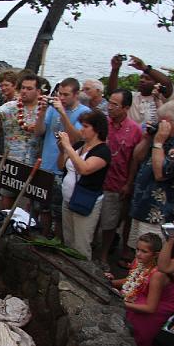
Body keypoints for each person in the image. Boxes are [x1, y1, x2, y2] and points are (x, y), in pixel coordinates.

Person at [128, 101, 174, 249]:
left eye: (164, 122)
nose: (160, 126)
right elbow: (137, 157)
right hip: (142, 206)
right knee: (138, 254)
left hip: (161, 214)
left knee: (152, 256)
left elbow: (160, 174)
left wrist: (158, 143)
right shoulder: (162, 137)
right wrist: (148, 139)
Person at [106, 233, 174, 346]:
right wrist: (109, 282)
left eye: (144, 251)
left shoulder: (157, 275)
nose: (138, 254)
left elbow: (150, 308)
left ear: (156, 255)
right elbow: (132, 280)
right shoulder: (139, 260)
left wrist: (122, 303)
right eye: (137, 249)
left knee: (132, 322)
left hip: (160, 304)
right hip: (145, 294)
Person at [35, 77, 91, 239]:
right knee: (43, 208)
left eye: (66, 95)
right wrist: (43, 111)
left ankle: (58, 241)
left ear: (76, 94)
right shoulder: (52, 108)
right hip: (46, 165)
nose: (62, 98)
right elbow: (39, 132)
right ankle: (43, 237)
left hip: (64, 169)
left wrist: (63, 113)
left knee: (59, 214)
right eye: (60, 94)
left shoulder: (84, 113)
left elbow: (77, 138)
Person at [57, 110, 111, 261]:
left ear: (97, 129)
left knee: (81, 245)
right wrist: (62, 150)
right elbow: (61, 165)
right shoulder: (80, 145)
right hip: (67, 199)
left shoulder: (103, 151)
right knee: (68, 240)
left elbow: (84, 169)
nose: (81, 129)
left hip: (85, 201)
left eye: (86, 126)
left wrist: (68, 147)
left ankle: (80, 280)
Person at [98, 89, 143, 264]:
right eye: (109, 103)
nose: (109, 107)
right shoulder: (103, 123)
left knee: (110, 222)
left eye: (115, 105)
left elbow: (134, 159)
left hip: (117, 182)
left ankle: (104, 255)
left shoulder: (134, 130)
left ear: (126, 108)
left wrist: (129, 183)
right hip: (98, 179)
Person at [0, 73, 45, 209]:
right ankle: (6, 224)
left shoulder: (45, 110)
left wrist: (43, 112)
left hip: (35, 162)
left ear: (38, 91)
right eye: (23, 88)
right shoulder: (10, 106)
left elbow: (41, 132)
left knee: (33, 200)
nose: (24, 91)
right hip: (12, 161)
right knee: (7, 195)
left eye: (29, 88)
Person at [108, 54, 174, 126]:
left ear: (157, 83)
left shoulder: (162, 98)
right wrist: (115, 69)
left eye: (147, 79)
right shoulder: (132, 97)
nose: (142, 80)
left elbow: (167, 83)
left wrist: (145, 68)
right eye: (141, 77)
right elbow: (112, 92)